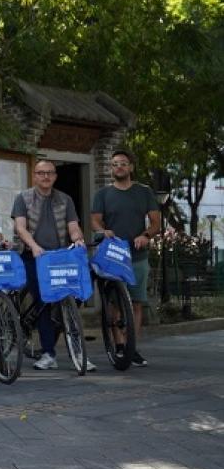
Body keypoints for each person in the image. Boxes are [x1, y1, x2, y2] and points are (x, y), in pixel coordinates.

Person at [11, 159, 89, 371]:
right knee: (43, 301)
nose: (45, 177)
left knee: (70, 298)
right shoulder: (23, 198)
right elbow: (20, 228)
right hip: (33, 256)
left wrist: (78, 239)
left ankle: (79, 352)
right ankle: (48, 354)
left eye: (50, 173)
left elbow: (73, 226)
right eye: (41, 173)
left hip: (59, 257)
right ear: (34, 176)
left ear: (55, 176)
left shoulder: (65, 199)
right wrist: (35, 247)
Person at [91, 149, 160, 367]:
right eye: (114, 164)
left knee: (137, 303)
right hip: (113, 255)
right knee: (114, 303)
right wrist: (103, 231)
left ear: (131, 167)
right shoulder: (103, 194)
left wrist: (145, 235)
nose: (118, 167)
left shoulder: (144, 192)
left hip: (137, 255)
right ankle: (119, 344)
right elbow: (95, 221)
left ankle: (132, 347)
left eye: (122, 163)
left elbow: (156, 222)